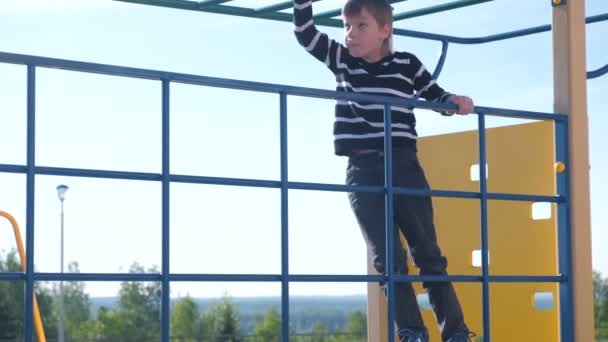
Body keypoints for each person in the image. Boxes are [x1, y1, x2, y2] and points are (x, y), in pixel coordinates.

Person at [292, 0, 476, 341]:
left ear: (384, 31)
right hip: (362, 169)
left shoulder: (407, 64)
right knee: (388, 258)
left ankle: (456, 332)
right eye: (347, 26)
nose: (351, 34)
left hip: (404, 165)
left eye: (361, 26)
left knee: (428, 253)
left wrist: (456, 102)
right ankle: (411, 331)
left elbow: (436, 96)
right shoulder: (342, 60)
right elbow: (305, 34)